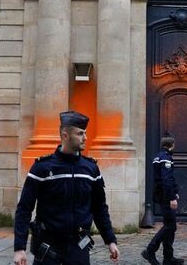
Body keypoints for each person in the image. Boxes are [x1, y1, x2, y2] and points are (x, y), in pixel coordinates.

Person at [13, 111, 120, 265]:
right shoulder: (41, 168)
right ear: (65, 135)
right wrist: (19, 248)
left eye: (85, 133)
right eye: (80, 133)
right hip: (48, 246)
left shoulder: (90, 169)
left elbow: (99, 208)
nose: (86, 138)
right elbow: (24, 208)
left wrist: (110, 240)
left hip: (78, 246)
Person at [141, 134, 184, 265]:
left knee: (170, 226)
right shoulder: (166, 158)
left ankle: (168, 257)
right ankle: (150, 250)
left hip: (162, 194)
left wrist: (174, 192)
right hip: (166, 196)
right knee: (170, 226)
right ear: (172, 145)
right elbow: (166, 179)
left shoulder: (158, 157)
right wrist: (172, 197)